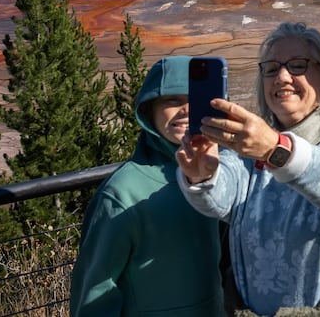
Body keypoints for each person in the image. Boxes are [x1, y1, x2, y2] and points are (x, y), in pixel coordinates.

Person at [175, 22, 320, 315]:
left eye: (297, 65)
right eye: (271, 69)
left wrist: (275, 149)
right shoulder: (247, 155)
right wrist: (202, 174)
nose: (282, 77)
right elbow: (220, 197)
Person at [69, 55, 224, 316]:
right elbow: (93, 296)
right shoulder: (122, 193)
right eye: (172, 100)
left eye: (194, 99)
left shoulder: (222, 174)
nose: (186, 109)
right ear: (149, 110)